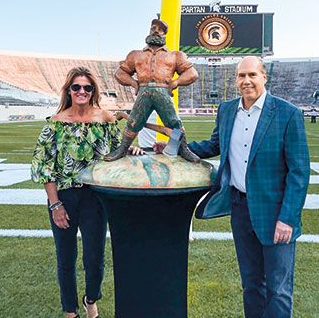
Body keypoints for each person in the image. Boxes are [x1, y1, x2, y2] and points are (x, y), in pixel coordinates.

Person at [155, 56, 310, 318]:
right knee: (251, 285)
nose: (246, 81)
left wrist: (288, 218)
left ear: (264, 77)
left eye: (252, 75)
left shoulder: (287, 114)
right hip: (240, 208)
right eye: (241, 76)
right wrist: (177, 149)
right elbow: (215, 145)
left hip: (276, 214)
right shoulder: (227, 110)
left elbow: (299, 172)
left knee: (278, 288)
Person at [31, 66, 142, 318]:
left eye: (87, 87)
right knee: (66, 258)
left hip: (96, 198)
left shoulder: (105, 119)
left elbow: (117, 150)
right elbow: (44, 167)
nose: (82, 91)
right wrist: (55, 205)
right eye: (76, 87)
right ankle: (70, 311)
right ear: (69, 90)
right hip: (64, 198)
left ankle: (91, 298)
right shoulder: (55, 123)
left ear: (93, 91)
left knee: (95, 257)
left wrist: (131, 150)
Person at [104, 18, 200, 163]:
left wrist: (175, 82)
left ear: (164, 34)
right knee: (133, 122)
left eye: (160, 29)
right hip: (144, 91)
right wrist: (133, 83)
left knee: (174, 123)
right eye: (153, 27)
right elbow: (120, 73)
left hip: (163, 91)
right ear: (149, 30)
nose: (156, 30)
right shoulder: (135, 55)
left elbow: (192, 73)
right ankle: (122, 150)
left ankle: (184, 149)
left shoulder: (175, 55)